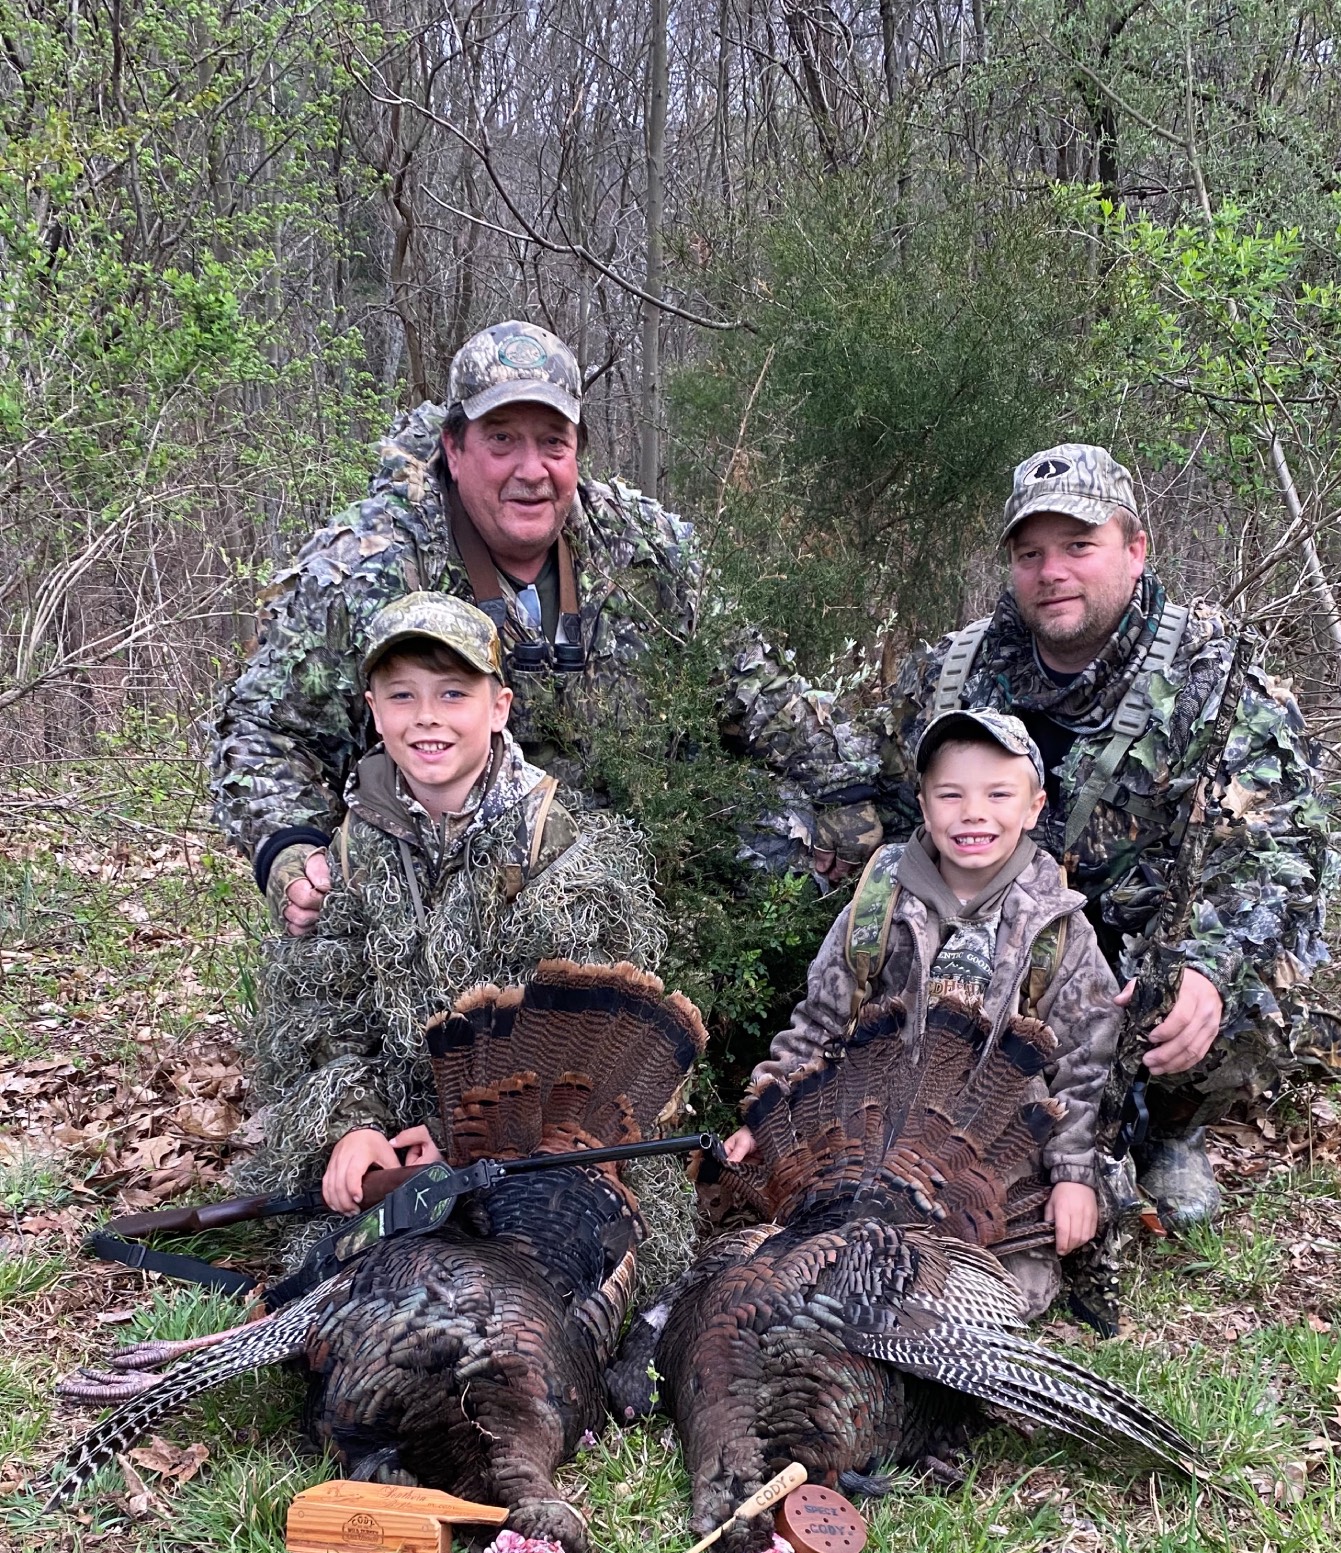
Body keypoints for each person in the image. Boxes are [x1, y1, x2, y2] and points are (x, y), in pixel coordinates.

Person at [209, 320, 884, 936]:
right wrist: (288, 852)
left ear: (578, 450)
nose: (531, 471)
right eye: (502, 440)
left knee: (796, 844)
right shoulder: (367, 567)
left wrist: (850, 790)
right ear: (454, 445)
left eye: (552, 442)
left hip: (638, 851)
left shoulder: (642, 547)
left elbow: (752, 683)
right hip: (444, 873)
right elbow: (261, 729)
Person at [887, 445, 1341, 1230]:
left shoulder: (1216, 679)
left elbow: (1280, 857)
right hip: (990, 955)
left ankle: (1170, 1129)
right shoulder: (954, 671)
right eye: (1031, 553)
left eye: (1079, 546)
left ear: (1135, 549)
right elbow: (869, 790)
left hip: (1132, 972)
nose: (1053, 572)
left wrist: (1208, 967)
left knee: (1228, 983)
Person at [237, 591, 667, 1226]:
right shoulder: (355, 846)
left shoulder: (553, 844)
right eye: (402, 695)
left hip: (526, 1138)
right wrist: (356, 1129)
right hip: (394, 1140)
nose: (426, 718)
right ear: (373, 713)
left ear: (499, 709)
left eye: (453, 694)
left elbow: (579, 1041)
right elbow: (323, 1011)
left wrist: (461, 1131)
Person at [726, 709, 1122, 1317]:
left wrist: (1073, 1175)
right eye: (951, 794)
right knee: (798, 1275)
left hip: (989, 1167)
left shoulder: (1057, 924)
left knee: (992, 1304)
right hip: (866, 1143)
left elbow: (1084, 1067)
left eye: (998, 795)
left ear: (1035, 808)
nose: (973, 813)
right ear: (923, 803)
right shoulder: (877, 905)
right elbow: (820, 1022)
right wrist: (767, 1118)